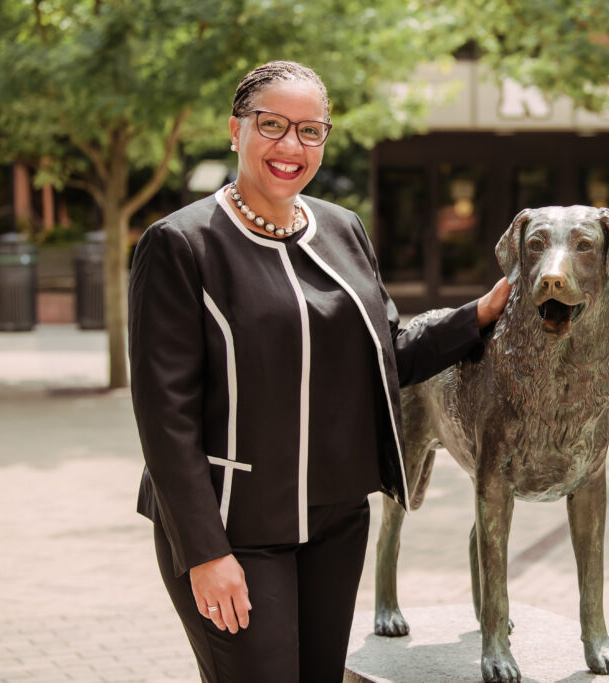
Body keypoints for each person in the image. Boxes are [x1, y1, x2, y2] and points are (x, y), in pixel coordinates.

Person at [128, 60, 511, 683]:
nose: (291, 146)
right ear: (236, 130)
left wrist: (477, 315)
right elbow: (164, 417)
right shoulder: (181, 244)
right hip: (235, 525)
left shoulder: (342, 228)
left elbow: (387, 352)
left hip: (336, 519)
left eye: (311, 130)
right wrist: (204, 552)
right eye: (272, 124)